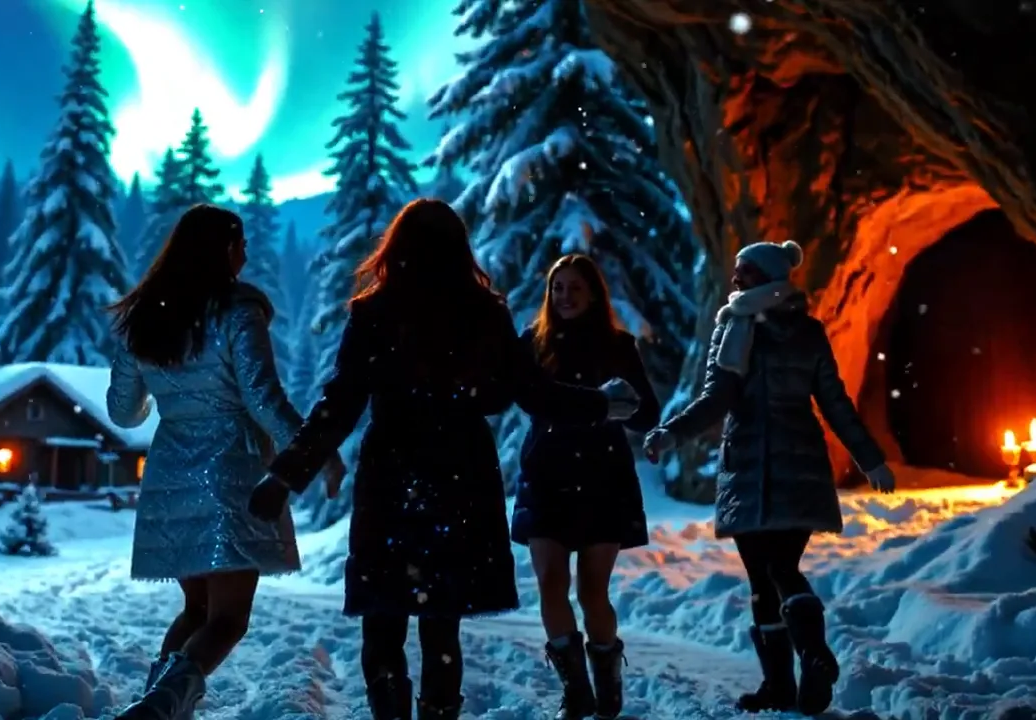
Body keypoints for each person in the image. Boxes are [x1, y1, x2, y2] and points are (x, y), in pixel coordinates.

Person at [246, 198, 640, 720]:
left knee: (384, 618)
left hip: (393, 475)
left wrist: (284, 476)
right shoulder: (485, 313)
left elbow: (339, 404)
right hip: (461, 478)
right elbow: (534, 392)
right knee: (441, 623)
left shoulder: (374, 312)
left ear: (397, 248)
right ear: (460, 249)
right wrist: (602, 402)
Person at [105, 204, 345, 720]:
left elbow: (122, 412)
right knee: (229, 618)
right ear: (223, 250)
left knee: (197, 610)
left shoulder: (144, 316)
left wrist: (165, 393)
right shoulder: (237, 312)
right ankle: (162, 707)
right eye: (240, 245)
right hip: (230, 470)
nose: (245, 255)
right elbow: (263, 398)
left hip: (170, 471)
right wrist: (313, 451)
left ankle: (156, 703)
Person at [643, 239, 895, 717]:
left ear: (769, 276)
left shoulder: (735, 330)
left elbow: (718, 400)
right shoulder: (807, 332)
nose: (735, 279)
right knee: (775, 570)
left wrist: (672, 434)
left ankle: (799, 666)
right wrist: (869, 457)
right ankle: (792, 673)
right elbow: (834, 403)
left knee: (768, 574)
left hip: (752, 467)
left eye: (746, 272)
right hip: (800, 464)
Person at [510, 254, 660, 720]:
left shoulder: (617, 345)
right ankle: (576, 689)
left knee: (594, 591)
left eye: (575, 288)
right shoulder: (532, 344)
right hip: (546, 477)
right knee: (550, 584)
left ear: (593, 294)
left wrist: (619, 405)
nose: (565, 296)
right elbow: (518, 392)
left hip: (602, 478)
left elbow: (647, 412)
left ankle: (606, 671)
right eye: (558, 288)